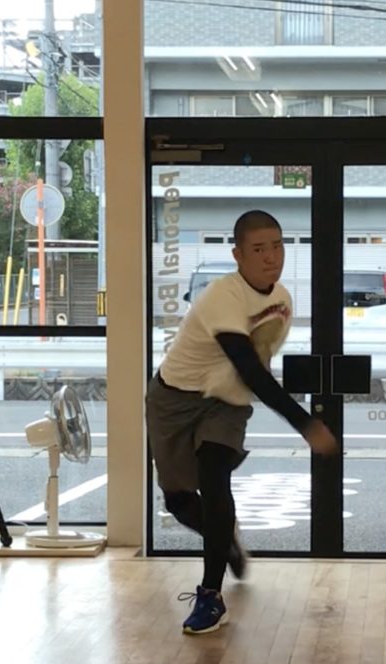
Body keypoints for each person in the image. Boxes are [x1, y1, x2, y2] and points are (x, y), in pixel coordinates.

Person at [146, 209, 338, 635]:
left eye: (277, 246)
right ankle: (225, 541)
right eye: (258, 249)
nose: (271, 257)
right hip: (173, 399)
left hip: (225, 403)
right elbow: (250, 369)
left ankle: (210, 597)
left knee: (215, 480)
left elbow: (254, 368)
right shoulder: (223, 296)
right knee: (178, 500)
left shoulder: (281, 300)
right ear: (238, 255)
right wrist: (306, 424)